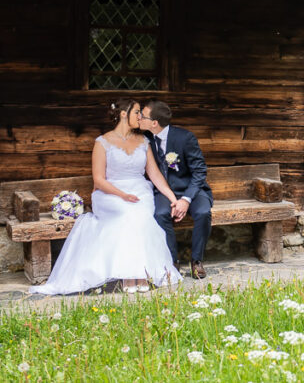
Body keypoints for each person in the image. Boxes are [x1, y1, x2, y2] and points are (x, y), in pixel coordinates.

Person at [31, 99, 182, 295]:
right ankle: (129, 275)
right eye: (137, 112)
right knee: (126, 213)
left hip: (139, 192)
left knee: (140, 216)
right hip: (110, 193)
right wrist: (123, 195)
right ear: (123, 114)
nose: (140, 117)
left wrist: (173, 198)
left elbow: (155, 175)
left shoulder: (144, 142)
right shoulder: (102, 142)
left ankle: (141, 273)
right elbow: (99, 180)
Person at [139, 100, 214, 279]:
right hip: (164, 191)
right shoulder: (145, 139)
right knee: (160, 214)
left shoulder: (185, 138)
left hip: (191, 190)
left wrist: (186, 200)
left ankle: (197, 260)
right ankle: (172, 261)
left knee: (203, 212)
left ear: (154, 123)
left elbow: (199, 172)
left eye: (143, 116)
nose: (139, 118)